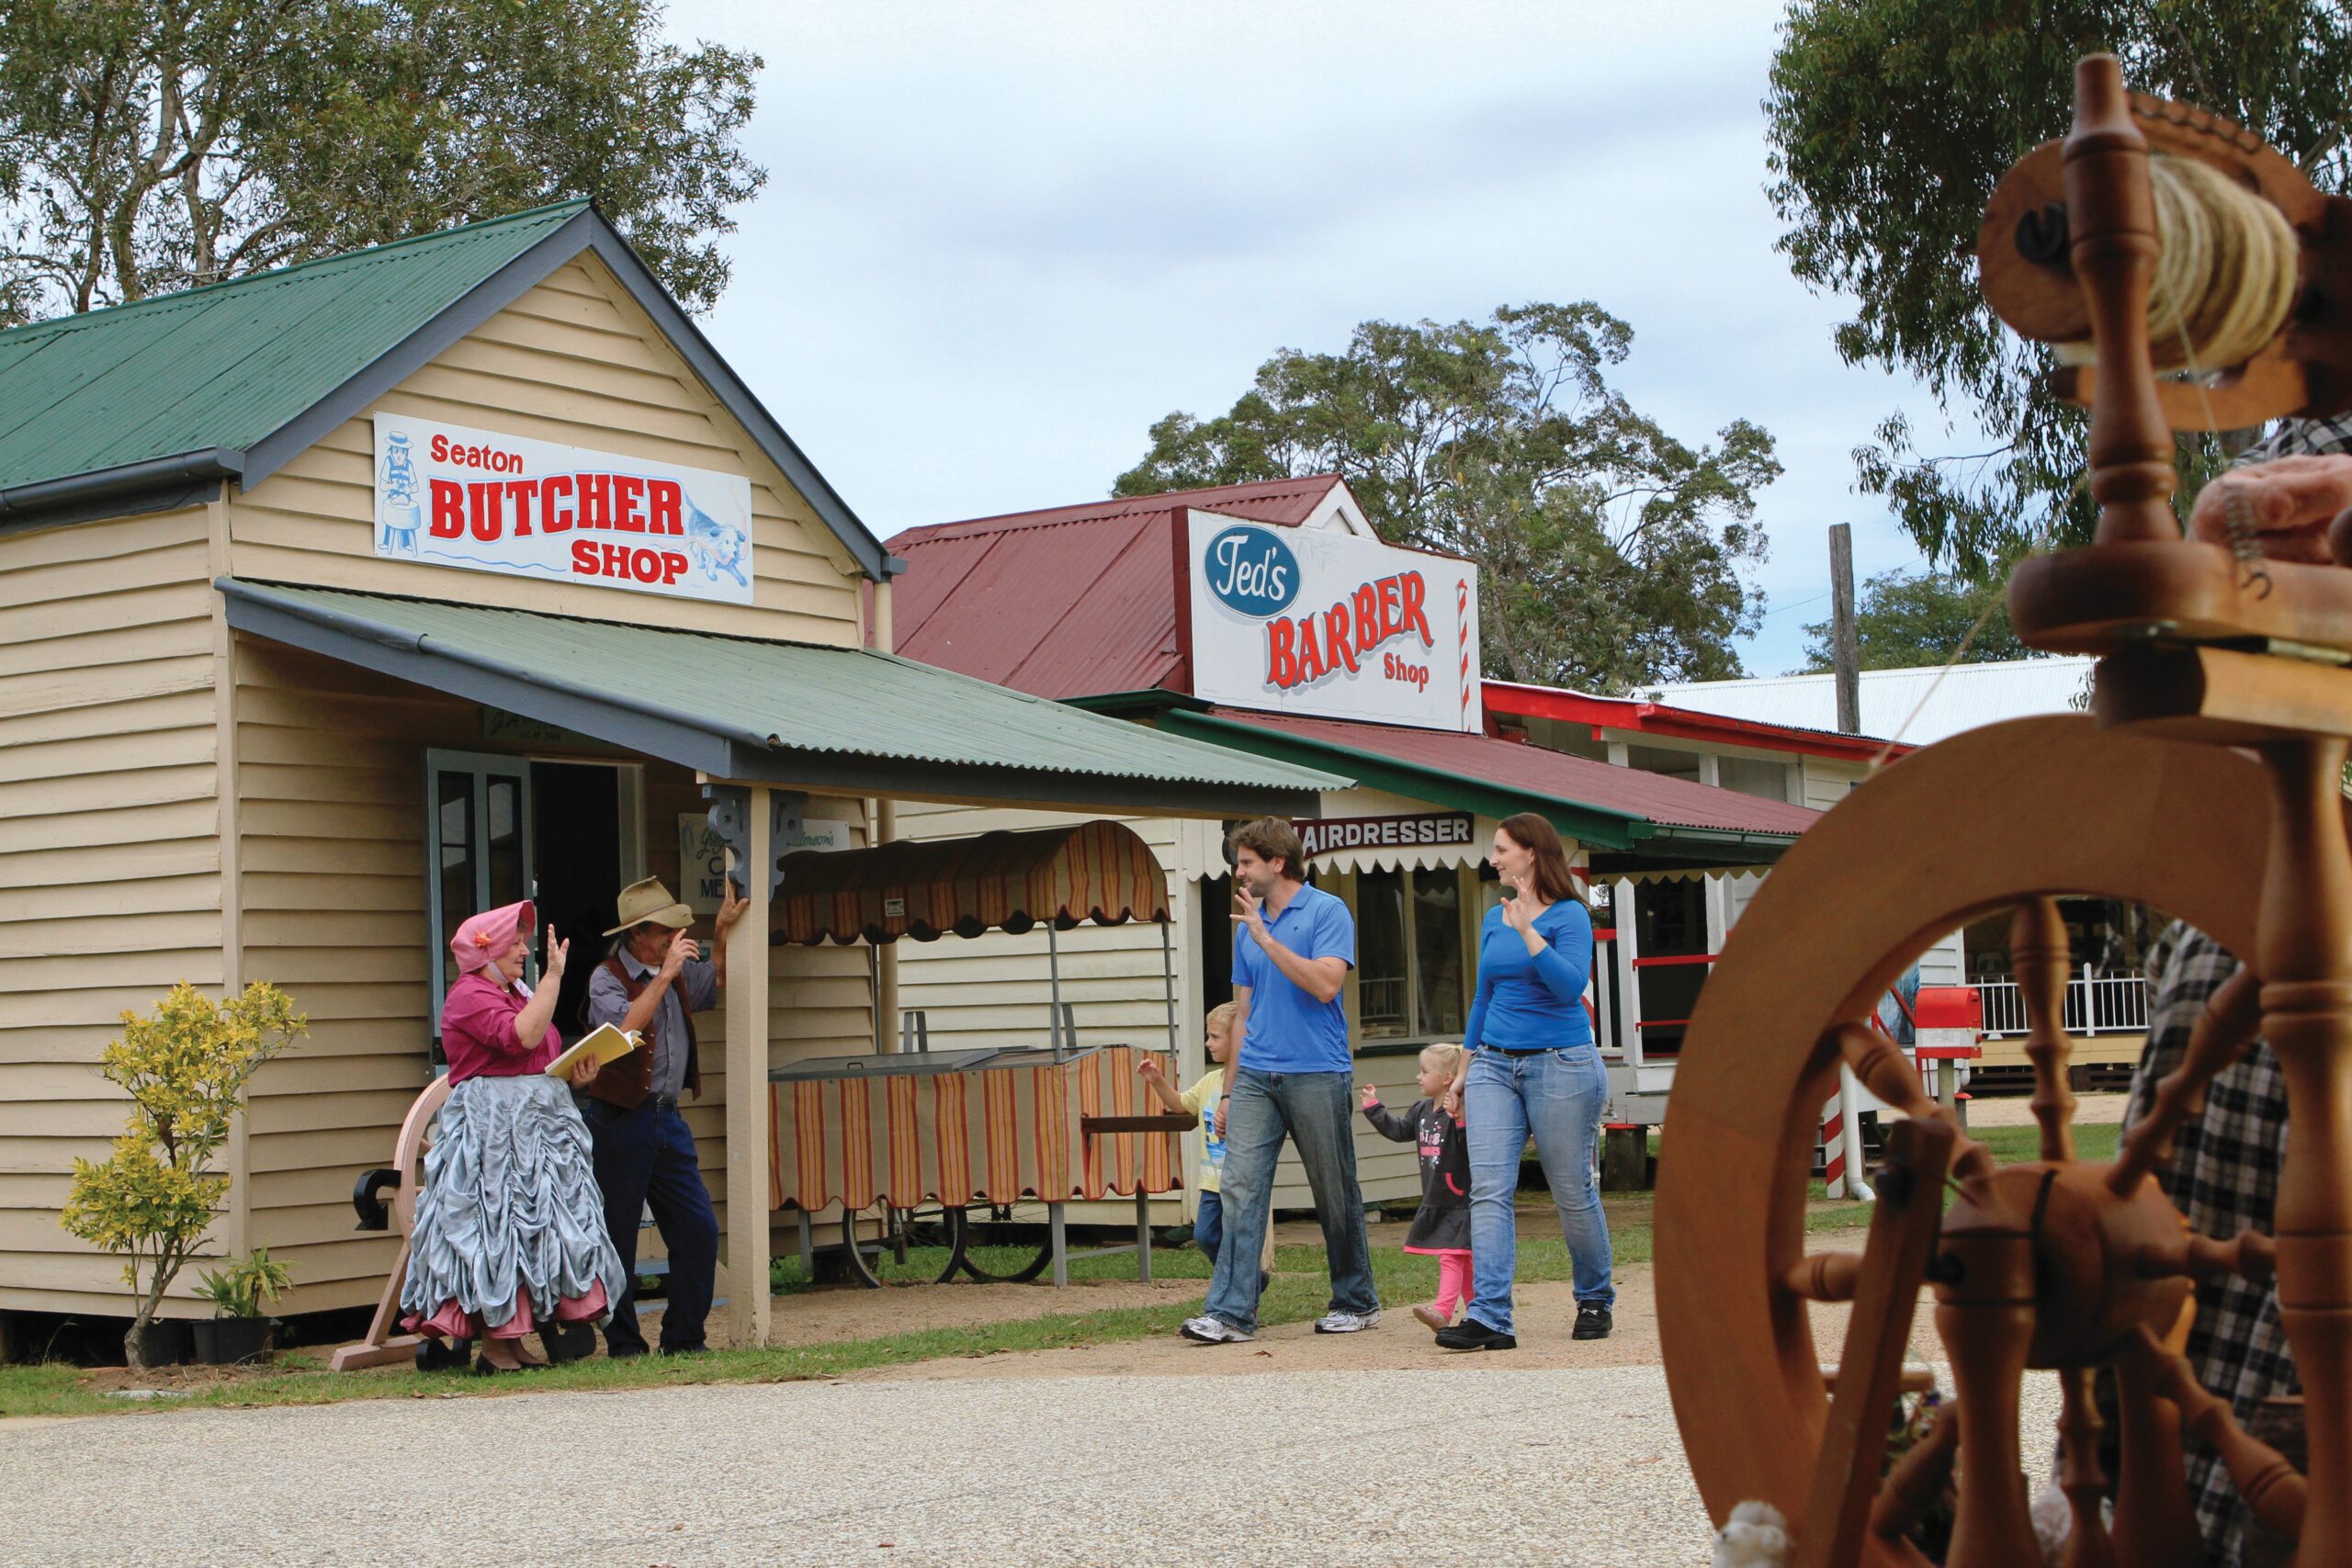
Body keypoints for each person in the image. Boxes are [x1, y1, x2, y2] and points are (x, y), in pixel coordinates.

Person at [400, 900, 628, 1373]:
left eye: (523, 941)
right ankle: (495, 1347)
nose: (524, 950)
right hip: (493, 1136)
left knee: (537, 1228)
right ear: (487, 952)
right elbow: (521, 1039)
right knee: (497, 1228)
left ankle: (513, 1343)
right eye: (516, 942)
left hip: (536, 1133)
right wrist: (554, 978)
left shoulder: (518, 992)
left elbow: (538, 1056)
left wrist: (574, 1073)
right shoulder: (469, 995)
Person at [1181, 817, 1380, 1343]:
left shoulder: (1326, 911)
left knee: (1333, 1191)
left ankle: (1356, 1300)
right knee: (1239, 1190)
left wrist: (1265, 938)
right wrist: (1227, 1090)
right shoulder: (1246, 923)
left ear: (1277, 861)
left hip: (1317, 1070)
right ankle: (1231, 1313)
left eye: (1246, 861)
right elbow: (1243, 1014)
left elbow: (1325, 985)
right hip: (1254, 1078)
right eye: (1236, 861)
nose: (1238, 870)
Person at [1440, 812, 1614, 1351]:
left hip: (1561, 1063)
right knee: (1489, 1189)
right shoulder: (1496, 917)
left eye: (1501, 849)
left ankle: (1594, 1297)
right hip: (1493, 1063)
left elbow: (1568, 989)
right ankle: (1491, 1316)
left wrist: (1529, 932)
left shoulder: (1570, 915)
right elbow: (1482, 996)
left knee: (1570, 1189)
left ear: (1531, 854)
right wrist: (1464, 1071)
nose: (1493, 859)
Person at [579, 876, 746, 1358]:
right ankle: (625, 1345)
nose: (676, 938)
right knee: (618, 1236)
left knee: (697, 1229)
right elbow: (622, 1029)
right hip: (619, 1119)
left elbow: (715, 977)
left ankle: (684, 1338)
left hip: (668, 1119)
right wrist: (667, 974)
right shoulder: (606, 976)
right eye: (665, 931)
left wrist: (722, 931)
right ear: (638, 935)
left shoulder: (673, 970)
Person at [1360, 1043, 1472, 1334]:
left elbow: (1470, 1148)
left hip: (1460, 1198)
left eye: (1424, 1071)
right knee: (1465, 1260)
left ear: (1447, 1077)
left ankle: (1442, 1310)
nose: (1418, 1077)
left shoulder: (1458, 1109)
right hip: (1437, 1197)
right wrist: (1374, 1108)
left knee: (1451, 1254)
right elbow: (1398, 1130)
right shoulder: (1422, 1110)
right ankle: (1479, 1314)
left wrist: (1460, 1121)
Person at [1137, 1001, 1239, 1263]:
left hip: (1241, 1181)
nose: (1208, 1043)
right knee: (1205, 1236)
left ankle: (1239, 1285)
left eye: (1215, 1037)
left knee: (1239, 1238)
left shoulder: (1252, 1083)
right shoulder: (1209, 1081)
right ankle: (1248, 1280)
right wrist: (1157, 1081)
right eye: (1208, 1036)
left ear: (1238, 1040)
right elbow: (1180, 1104)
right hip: (1211, 1183)